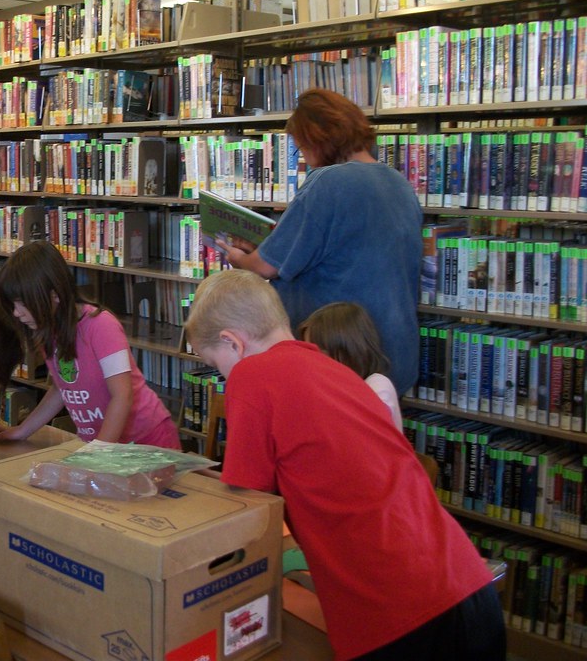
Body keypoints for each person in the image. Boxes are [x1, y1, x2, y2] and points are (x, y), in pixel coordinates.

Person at [184, 269, 505, 661]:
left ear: (233, 343)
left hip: (398, 615)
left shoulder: (252, 375)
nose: (223, 376)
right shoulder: (338, 372)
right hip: (468, 584)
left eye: (216, 365)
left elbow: (245, 506)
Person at [216, 88, 422, 396]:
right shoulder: (398, 183)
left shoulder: (328, 182)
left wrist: (239, 259)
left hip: (340, 357)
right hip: (392, 356)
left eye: (302, 148)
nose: (305, 159)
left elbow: (266, 267)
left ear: (319, 139)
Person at [0, 240, 180, 448]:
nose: (16, 313)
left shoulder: (101, 325)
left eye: (22, 303)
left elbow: (122, 396)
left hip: (148, 441)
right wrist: (22, 431)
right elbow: (62, 389)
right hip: (108, 447)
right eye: (13, 305)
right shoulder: (48, 330)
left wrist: (98, 453)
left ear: (54, 294)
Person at [297, 301, 403, 432]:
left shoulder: (377, 385)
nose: (313, 360)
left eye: (321, 353)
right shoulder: (331, 385)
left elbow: (358, 433)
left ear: (348, 351)